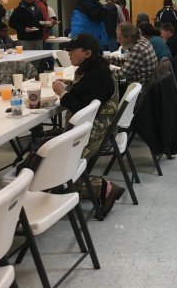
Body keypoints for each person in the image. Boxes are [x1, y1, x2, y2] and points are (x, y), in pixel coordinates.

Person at [51, 34, 124, 217]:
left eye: (72, 50)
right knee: (42, 156)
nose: (69, 53)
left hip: (90, 135)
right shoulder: (96, 70)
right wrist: (71, 86)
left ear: (87, 53)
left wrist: (63, 94)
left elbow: (81, 110)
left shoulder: (95, 76)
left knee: (48, 175)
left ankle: (103, 188)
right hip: (95, 130)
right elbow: (87, 94)